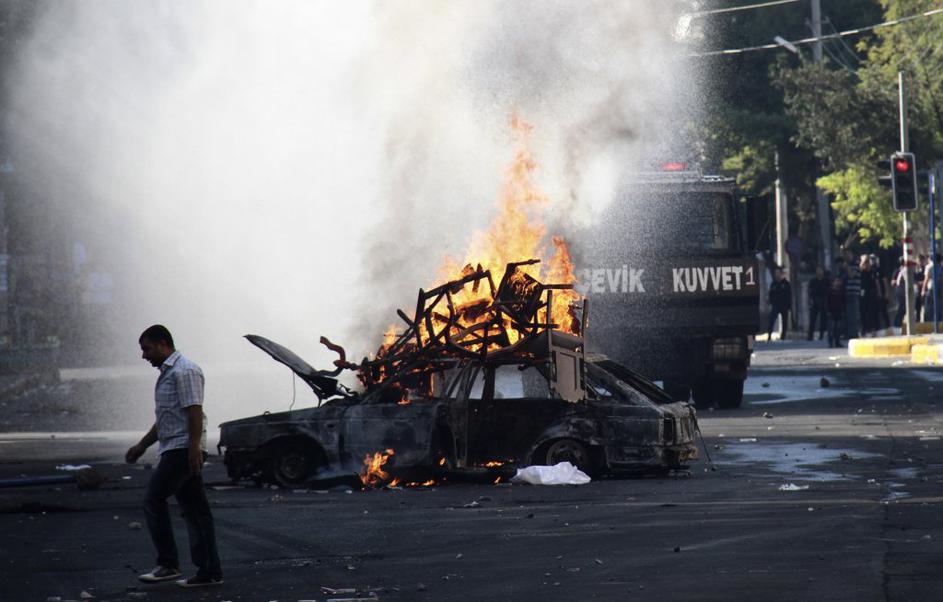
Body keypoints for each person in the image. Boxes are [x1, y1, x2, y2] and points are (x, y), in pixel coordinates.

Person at [126, 325, 223, 587]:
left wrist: (194, 448)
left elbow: (194, 412)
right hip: (176, 447)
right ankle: (209, 572)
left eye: (146, 349)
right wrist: (142, 445)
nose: (144, 356)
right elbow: (167, 419)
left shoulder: (185, 370)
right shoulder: (170, 373)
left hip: (182, 450)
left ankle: (168, 564)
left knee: (154, 499)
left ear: (162, 344)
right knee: (195, 511)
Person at [767, 267, 792, 341]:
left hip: (784, 305)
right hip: (776, 305)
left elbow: (789, 295)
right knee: (771, 320)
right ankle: (769, 335)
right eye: (776, 273)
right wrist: (771, 302)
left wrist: (789, 305)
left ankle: (783, 336)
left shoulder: (786, 283)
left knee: (784, 322)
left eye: (778, 273)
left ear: (781, 274)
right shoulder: (773, 283)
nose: (777, 275)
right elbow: (770, 294)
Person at [841, 250, 861, 339]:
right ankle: (847, 333)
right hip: (847, 293)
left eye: (848, 254)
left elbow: (852, 275)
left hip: (854, 293)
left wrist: (847, 267)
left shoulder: (855, 265)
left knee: (853, 315)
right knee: (848, 315)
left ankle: (854, 334)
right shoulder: (845, 266)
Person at [807, 266, 828, 340]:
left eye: (820, 270)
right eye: (818, 270)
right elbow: (810, 291)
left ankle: (821, 335)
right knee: (812, 320)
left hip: (823, 301)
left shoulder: (826, 281)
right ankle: (810, 336)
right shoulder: (813, 281)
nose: (819, 272)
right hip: (815, 301)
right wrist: (812, 299)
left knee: (823, 320)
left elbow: (828, 291)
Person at [859, 254, 878, 336]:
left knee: (872, 311)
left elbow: (876, 283)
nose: (867, 264)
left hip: (871, 293)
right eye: (865, 262)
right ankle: (864, 328)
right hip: (863, 293)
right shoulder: (861, 272)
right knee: (863, 311)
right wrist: (863, 261)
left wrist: (879, 292)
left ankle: (872, 328)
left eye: (868, 262)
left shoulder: (873, 271)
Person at [826, 276, 846, 347]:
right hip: (832, 311)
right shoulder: (830, 291)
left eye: (839, 281)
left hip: (839, 311)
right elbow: (827, 302)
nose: (837, 283)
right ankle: (831, 342)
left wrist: (843, 310)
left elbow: (843, 301)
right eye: (836, 281)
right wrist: (828, 311)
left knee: (838, 329)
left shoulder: (841, 291)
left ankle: (837, 342)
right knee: (831, 328)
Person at [892, 257, 907, 328]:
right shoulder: (898, 271)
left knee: (904, 309)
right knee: (900, 308)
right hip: (900, 292)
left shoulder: (906, 270)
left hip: (905, 292)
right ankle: (897, 324)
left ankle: (900, 323)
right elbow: (892, 282)